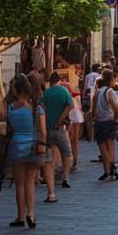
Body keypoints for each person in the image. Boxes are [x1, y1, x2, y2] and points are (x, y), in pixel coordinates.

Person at [0, 75, 46, 229]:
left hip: (16, 147)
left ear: (16, 90)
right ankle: (31, 214)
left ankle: (20, 216)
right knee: (30, 182)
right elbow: (43, 132)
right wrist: (42, 144)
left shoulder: (10, 109)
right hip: (33, 147)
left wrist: (1, 99)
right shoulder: (37, 109)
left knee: (19, 184)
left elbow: (1, 118)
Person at [42, 72, 75, 200]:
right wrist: (62, 118)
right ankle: (65, 177)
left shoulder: (46, 92)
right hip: (60, 128)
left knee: (48, 156)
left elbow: (41, 106)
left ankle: (48, 180)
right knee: (66, 153)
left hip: (48, 128)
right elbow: (71, 105)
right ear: (59, 80)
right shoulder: (63, 90)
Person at [89, 71, 118, 181]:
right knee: (110, 145)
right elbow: (115, 107)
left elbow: (92, 108)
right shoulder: (109, 92)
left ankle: (106, 171)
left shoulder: (98, 92)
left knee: (102, 147)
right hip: (109, 121)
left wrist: (93, 118)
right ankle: (112, 166)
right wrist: (116, 118)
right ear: (111, 80)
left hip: (99, 122)